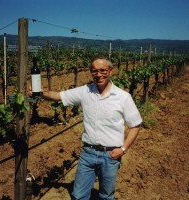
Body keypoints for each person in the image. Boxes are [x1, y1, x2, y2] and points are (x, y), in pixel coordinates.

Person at [30, 54, 142, 200]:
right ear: (90, 72)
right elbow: (58, 96)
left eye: (103, 70)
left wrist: (123, 149)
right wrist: (39, 93)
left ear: (110, 71)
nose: (99, 74)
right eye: (94, 71)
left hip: (110, 155)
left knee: (106, 196)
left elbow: (136, 125)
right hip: (88, 153)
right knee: (78, 195)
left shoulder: (123, 97)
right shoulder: (85, 91)